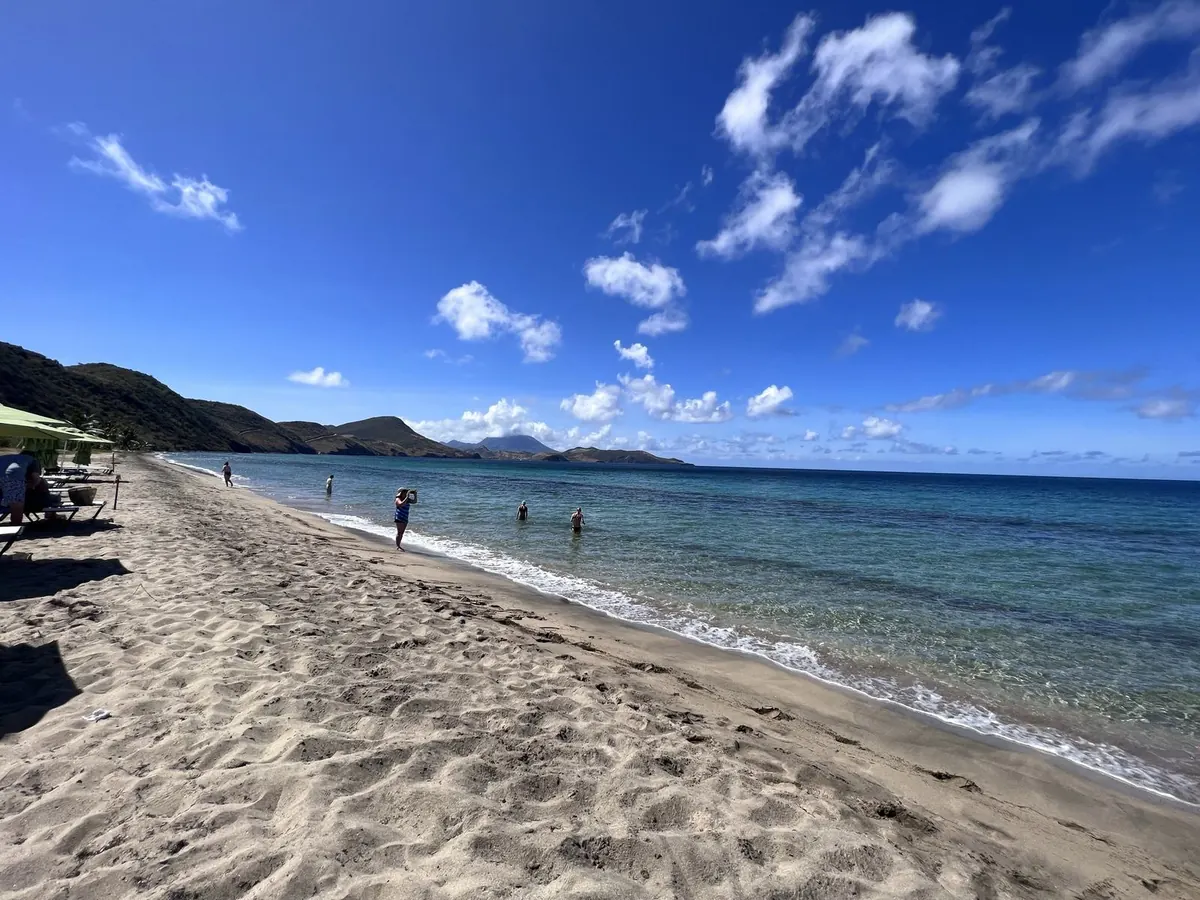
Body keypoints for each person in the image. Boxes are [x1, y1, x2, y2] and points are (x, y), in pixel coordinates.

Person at [0, 453, 45, 525]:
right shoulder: (33, 460)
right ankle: (15, 525)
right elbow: (36, 478)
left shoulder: (11, 457)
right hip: (12, 476)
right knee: (17, 504)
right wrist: (31, 486)